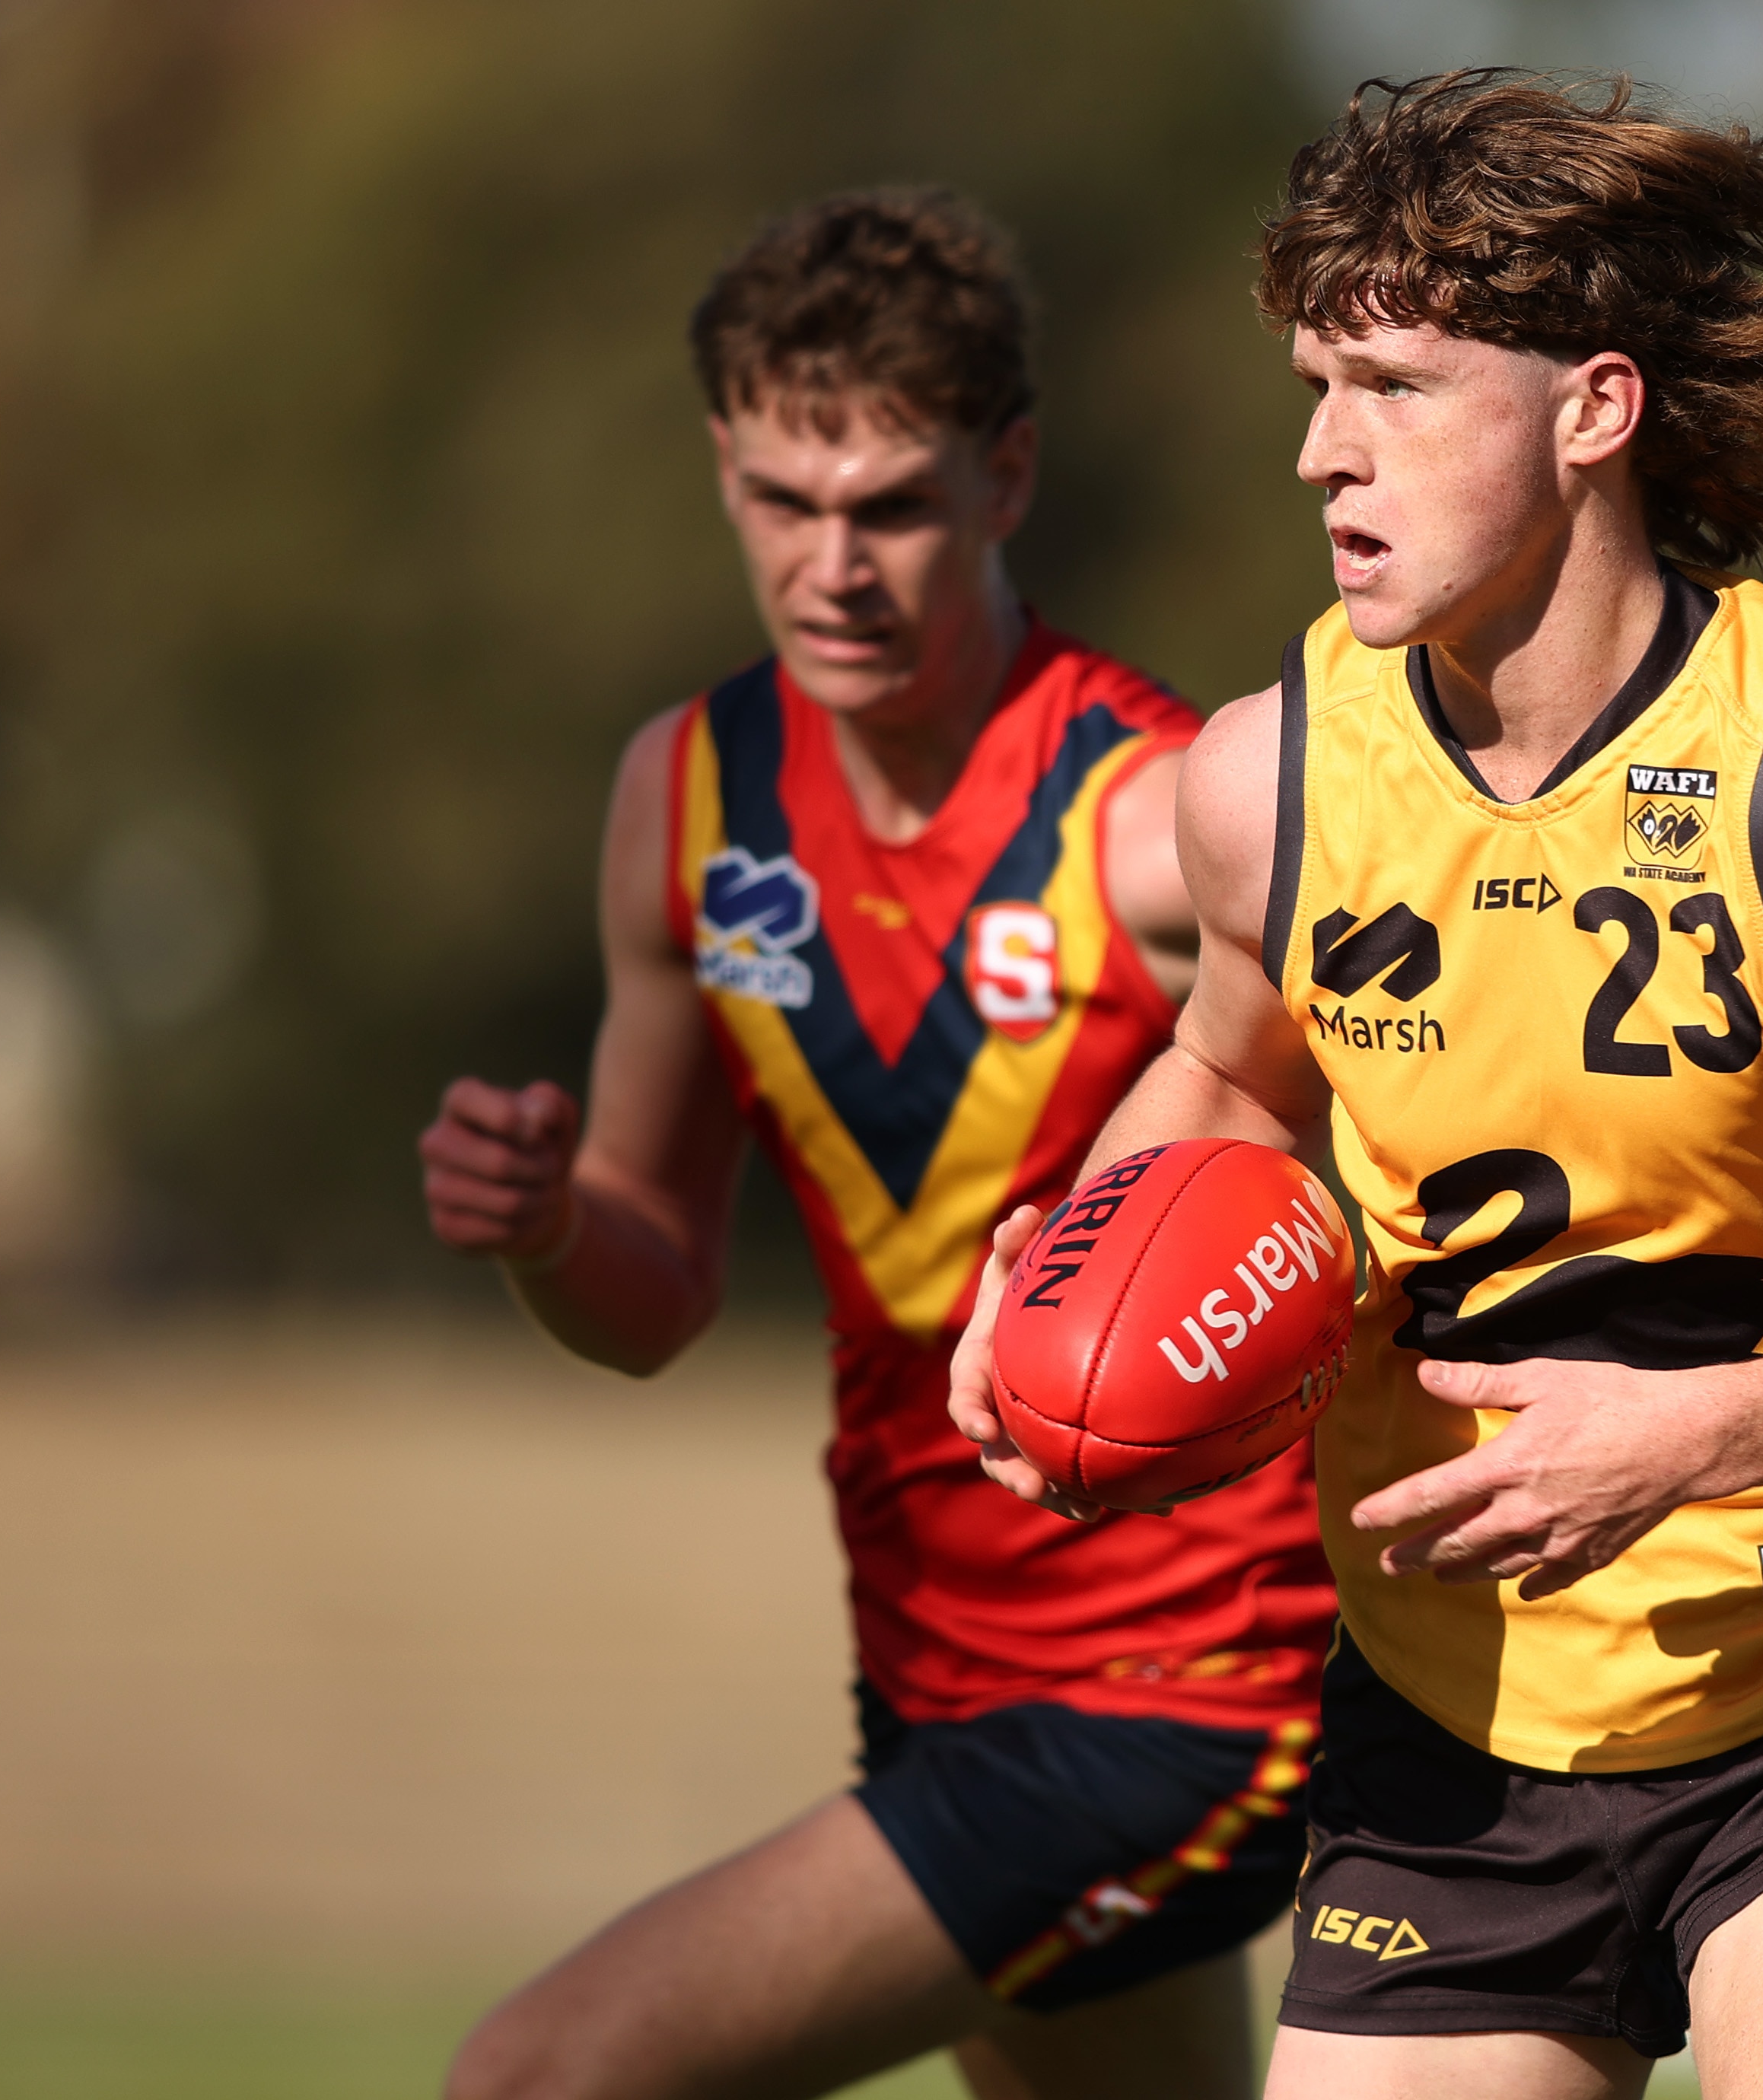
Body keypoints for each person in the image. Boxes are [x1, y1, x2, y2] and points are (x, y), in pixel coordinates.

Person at [949, 73, 1763, 2100]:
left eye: (1392, 386)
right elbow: (1224, 1074)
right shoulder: (1265, 782)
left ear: (1593, 409)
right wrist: (1064, 1300)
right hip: (1442, 1723)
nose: (1319, 453)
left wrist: (1701, 1437)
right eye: (1313, 383)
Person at [419, 190, 1335, 2100]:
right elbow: (655, 1288)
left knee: (544, 2078)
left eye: (892, 506)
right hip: (936, 1679)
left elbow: (1388, 1160)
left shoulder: (1152, 819)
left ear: (1006, 479)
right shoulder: (686, 797)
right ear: (722, 470)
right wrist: (540, 1230)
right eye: (780, 500)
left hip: (1186, 1690)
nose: (831, 565)